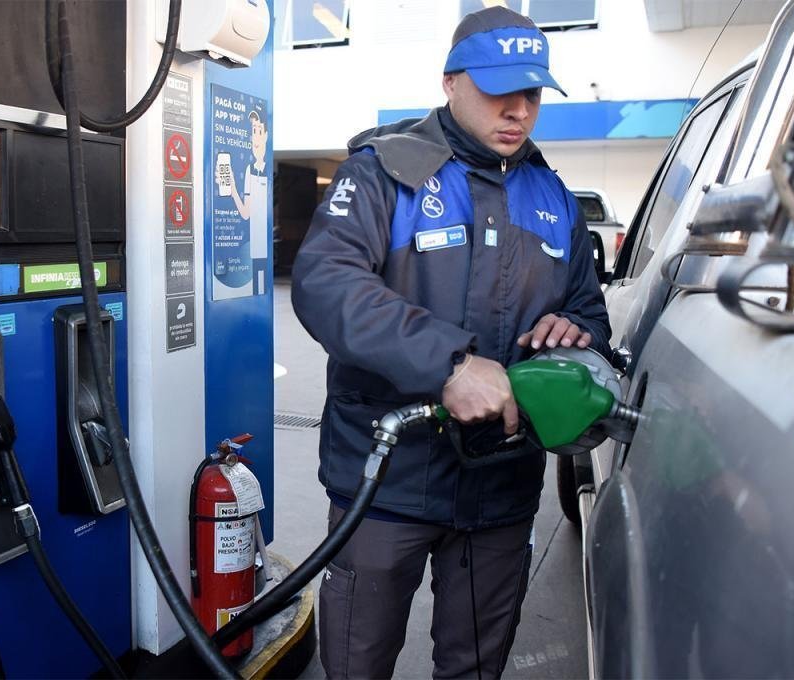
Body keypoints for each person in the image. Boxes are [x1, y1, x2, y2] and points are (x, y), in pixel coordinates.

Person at [292, 6, 612, 679]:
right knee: (355, 666)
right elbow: (324, 282)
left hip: (501, 486)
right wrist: (451, 364)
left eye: (532, 94)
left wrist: (576, 332)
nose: (518, 110)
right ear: (450, 83)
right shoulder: (383, 173)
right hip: (386, 483)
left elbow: (589, 309)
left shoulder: (553, 197)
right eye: (499, 90)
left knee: (475, 668)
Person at [228, 108, 270, 295]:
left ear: (266, 135)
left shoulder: (268, 171)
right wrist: (232, 189)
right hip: (253, 245)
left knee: (262, 291)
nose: (256, 137)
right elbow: (246, 213)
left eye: (259, 131)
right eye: (253, 131)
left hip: (264, 245)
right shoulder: (249, 170)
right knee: (256, 290)